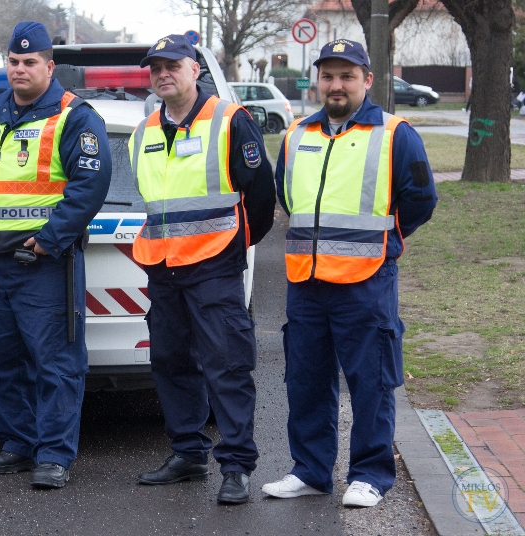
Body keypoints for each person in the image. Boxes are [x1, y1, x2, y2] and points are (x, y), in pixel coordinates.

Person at [262, 39, 437, 507]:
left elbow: (420, 199)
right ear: (317, 79)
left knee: (371, 380)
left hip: (366, 281)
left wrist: (385, 243)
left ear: (367, 80)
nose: (336, 85)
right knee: (305, 381)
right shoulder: (297, 133)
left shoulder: (396, 133)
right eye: (328, 76)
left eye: (347, 76)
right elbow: (287, 197)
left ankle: (370, 475)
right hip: (306, 282)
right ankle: (311, 471)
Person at [0, 21, 111, 489]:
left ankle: (54, 455)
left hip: (44, 263)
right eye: (14, 62)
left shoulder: (73, 115)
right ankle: (18, 444)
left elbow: (90, 185)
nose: (20, 69)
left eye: (30, 62)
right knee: (0, 362)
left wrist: (50, 237)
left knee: (56, 363)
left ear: (48, 65)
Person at [128, 35, 276, 505]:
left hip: (215, 266)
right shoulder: (144, 131)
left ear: (196, 70)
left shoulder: (231, 122)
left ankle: (235, 465)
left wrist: (234, 246)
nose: (163, 73)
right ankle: (188, 454)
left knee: (227, 364)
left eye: (173, 65)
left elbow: (262, 197)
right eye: (156, 67)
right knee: (170, 363)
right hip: (164, 269)